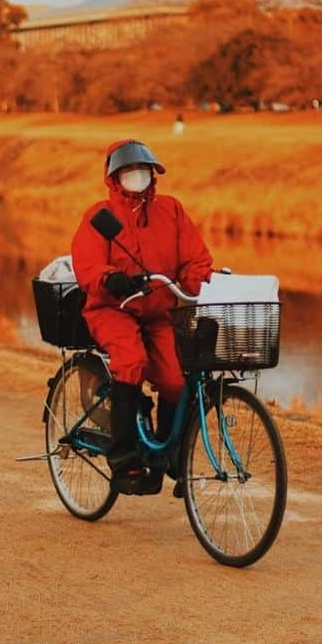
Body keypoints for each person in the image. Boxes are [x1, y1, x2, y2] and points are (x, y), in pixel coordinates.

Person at [72, 139, 212, 484]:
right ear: (113, 177)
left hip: (160, 310)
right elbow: (87, 265)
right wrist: (112, 279)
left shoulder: (171, 210)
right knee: (130, 360)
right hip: (112, 308)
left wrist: (201, 282)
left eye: (143, 170)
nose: (137, 176)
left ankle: (168, 451)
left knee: (177, 380)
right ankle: (123, 455)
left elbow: (195, 258)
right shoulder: (98, 217)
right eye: (128, 171)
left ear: (153, 174)